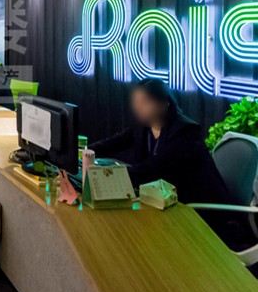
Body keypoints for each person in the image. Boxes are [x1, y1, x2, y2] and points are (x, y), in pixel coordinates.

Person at [89, 78, 230, 204]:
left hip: (196, 208)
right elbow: (114, 142)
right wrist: (85, 151)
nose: (137, 107)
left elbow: (151, 169)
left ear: (164, 104)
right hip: (163, 200)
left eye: (145, 102)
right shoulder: (144, 126)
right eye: (136, 102)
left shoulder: (186, 132)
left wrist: (102, 178)